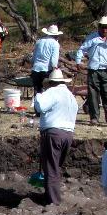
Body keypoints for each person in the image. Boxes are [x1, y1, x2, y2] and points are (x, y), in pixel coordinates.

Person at [33, 68, 79, 205]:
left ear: (51, 82)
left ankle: (53, 202)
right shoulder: (70, 96)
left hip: (53, 133)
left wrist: (38, 95)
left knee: (51, 168)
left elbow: (40, 106)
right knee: (55, 166)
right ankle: (50, 195)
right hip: (68, 134)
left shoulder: (52, 92)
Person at [74, 16, 107, 125]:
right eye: (102, 27)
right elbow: (81, 50)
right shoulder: (92, 38)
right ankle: (94, 118)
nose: (104, 29)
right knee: (93, 95)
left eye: (106, 27)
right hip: (93, 70)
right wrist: (78, 62)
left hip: (106, 70)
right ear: (99, 27)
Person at [30, 25, 62, 95]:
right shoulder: (55, 44)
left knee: (37, 91)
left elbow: (33, 57)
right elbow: (54, 60)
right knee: (47, 91)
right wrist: (55, 69)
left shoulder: (39, 41)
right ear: (56, 35)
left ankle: (36, 104)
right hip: (46, 69)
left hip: (36, 68)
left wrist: (32, 66)